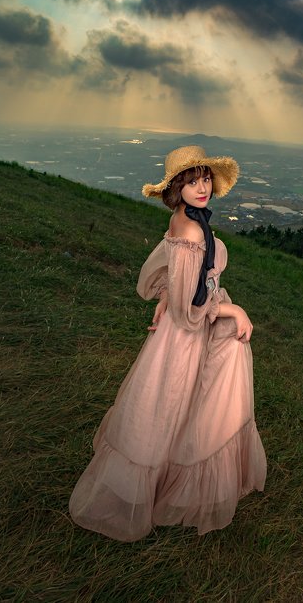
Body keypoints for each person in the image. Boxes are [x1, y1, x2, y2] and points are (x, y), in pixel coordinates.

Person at [69, 145, 267, 541]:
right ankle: (154, 489)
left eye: (205, 178)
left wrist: (166, 298)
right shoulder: (191, 229)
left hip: (180, 329)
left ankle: (161, 481)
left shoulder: (184, 221)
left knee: (167, 408)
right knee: (172, 405)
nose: (202, 187)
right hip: (186, 336)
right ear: (177, 188)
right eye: (191, 181)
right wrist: (233, 311)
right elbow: (192, 308)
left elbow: (174, 274)